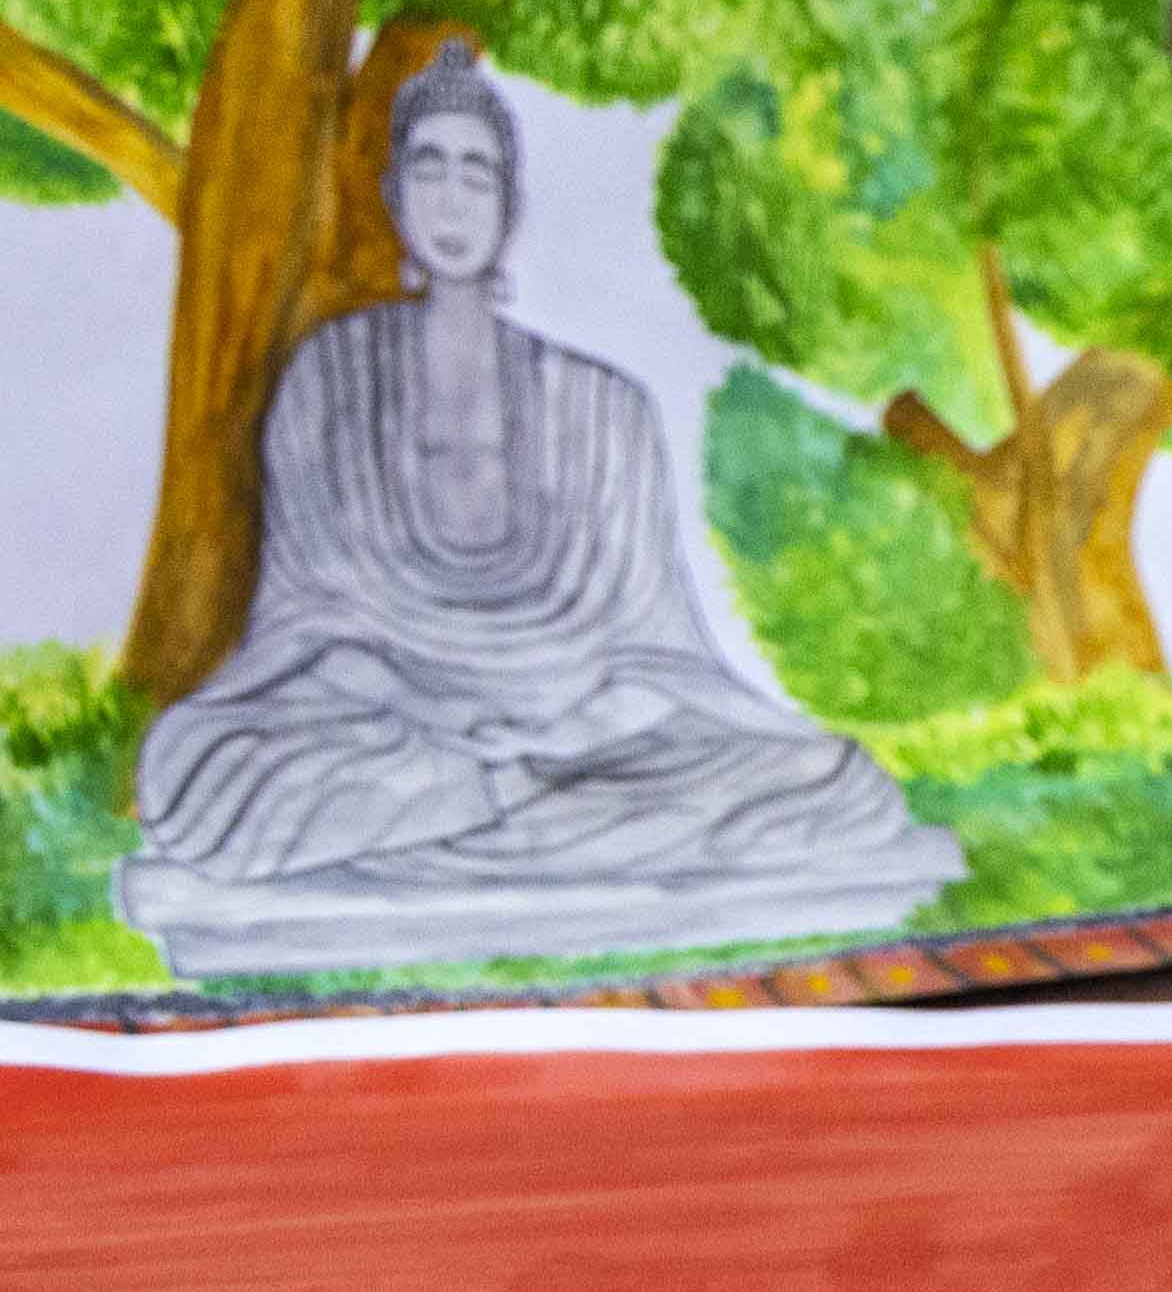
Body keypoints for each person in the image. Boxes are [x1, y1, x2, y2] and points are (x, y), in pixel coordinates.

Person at [116, 55, 958, 975]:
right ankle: (509, 807)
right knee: (193, 766)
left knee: (833, 780)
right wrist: (434, 715)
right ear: (393, 196)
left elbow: (655, 655)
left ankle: (488, 810)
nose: (452, 200)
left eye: (477, 174)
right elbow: (310, 628)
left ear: (510, 205)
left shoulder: (603, 411)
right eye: (429, 169)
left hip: (576, 739)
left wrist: (563, 735)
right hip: (392, 729)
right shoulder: (329, 382)